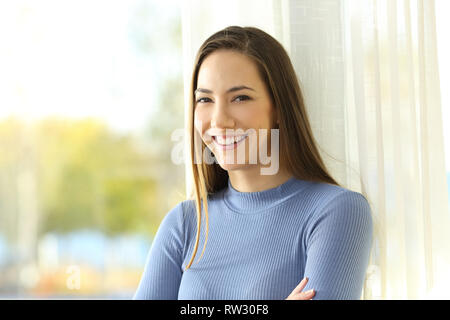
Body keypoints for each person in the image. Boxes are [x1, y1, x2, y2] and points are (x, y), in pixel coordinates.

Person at [133, 26, 373, 300]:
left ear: (279, 108)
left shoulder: (336, 212)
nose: (219, 120)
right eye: (205, 99)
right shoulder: (185, 225)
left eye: (240, 97)